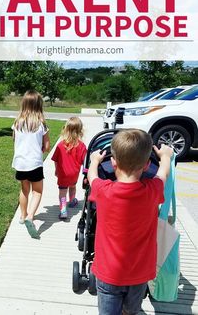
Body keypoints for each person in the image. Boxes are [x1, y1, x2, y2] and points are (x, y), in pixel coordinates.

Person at [88, 129, 173, 315]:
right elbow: (163, 174)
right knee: (131, 311)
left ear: (113, 162)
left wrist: (94, 161)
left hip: (108, 274)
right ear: (146, 165)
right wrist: (165, 156)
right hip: (139, 274)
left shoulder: (103, 190)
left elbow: (92, 177)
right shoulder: (152, 191)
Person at [12, 90, 50, 239]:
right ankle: (30, 216)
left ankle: (22, 216)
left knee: (24, 189)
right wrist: (39, 149)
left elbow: (15, 140)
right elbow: (47, 146)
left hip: (20, 163)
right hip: (34, 163)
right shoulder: (41, 124)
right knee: (38, 191)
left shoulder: (17, 123)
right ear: (38, 105)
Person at [51, 117, 87, 219]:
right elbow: (84, 161)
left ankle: (63, 211)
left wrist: (56, 170)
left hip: (63, 173)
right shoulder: (82, 146)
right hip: (74, 173)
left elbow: (56, 160)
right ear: (80, 130)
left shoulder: (60, 145)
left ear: (66, 129)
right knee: (72, 186)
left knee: (62, 192)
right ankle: (72, 201)